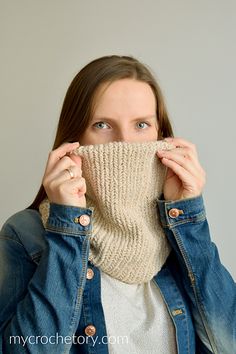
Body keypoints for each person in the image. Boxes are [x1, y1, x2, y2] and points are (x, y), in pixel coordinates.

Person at [0, 55, 235, 354]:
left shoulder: (177, 231)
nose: (124, 143)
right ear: (74, 139)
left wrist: (189, 217)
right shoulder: (25, 234)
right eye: (102, 125)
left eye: (141, 124)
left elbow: (229, 343)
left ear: (161, 134)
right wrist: (69, 225)